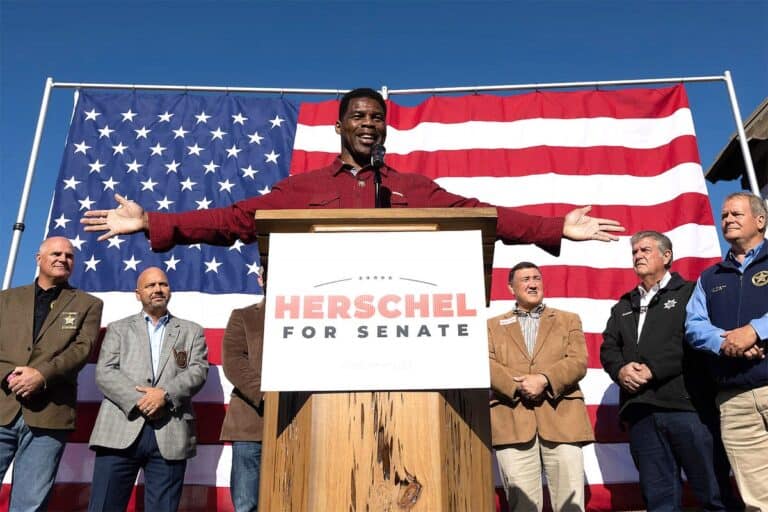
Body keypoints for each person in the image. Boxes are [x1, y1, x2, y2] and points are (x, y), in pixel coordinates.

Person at [80, 88, 624, 252]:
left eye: (377, 118)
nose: (370, 124)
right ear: (339, 127)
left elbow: (482, 216)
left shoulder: (410, 188)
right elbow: (233, 220)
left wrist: (557, 228)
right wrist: (154, 221)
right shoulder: (303, 189)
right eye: (359, 117)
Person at [601, 230, 741, 511]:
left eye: (645, 250)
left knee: (713, 493)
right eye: (635, 252)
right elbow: (608, 348)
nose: (638, 256)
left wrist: (653, 369)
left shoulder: (690, 292)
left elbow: (692, 340)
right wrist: (621, 370)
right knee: (659, 500)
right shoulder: (623, 305)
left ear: (667, 256)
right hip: (641, 413)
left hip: (688, 408)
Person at [87, 266, 209, 512]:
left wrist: (163, 395)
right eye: (150, 285)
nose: (157, 290)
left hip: (170, 430)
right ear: (137, 293)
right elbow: (105, 372)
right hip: (120, 429)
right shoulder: (118, 328)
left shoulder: (191, 330)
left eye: (162, 284)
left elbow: (197, 371)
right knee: (104, 506)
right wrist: (141, 400)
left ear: (170, 290)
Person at [0, 236, 103, 511]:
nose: (62, 259)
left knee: (30, 503)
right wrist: (10, 375)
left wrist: (41, 375)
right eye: (56, 253)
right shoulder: (6, 299)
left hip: (50, 415)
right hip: (2, 407)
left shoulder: (88, 304)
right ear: (39, 258)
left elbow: (82, 349)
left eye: (69, 256)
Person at [488, 261, 593, 512]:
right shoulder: (491, 326)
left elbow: (578, 361)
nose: (533, 283)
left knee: (571, 504)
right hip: (512, 422)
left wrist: (544, 379)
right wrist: (519, 386)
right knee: (523, 505)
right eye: (525, 279)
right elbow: (485, 364)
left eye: (536, 278)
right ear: (510, 287)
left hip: (563, 421)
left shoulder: (568, 320)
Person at [685, 191, 768, 510]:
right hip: (736, 403)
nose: (728, 220)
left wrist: (755, 331)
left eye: (736, 214)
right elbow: (694, 326)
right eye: (724, 216)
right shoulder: (710, 278)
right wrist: (727, 342)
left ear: (760, 221)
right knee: (757, 499)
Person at [219, 269, 266, 512]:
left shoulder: (309, 316)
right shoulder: (244, 316)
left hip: (298, 422)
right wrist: (267, 393)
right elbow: (234, 362)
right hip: (251, 424)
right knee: (246, 505)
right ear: (261, 278)